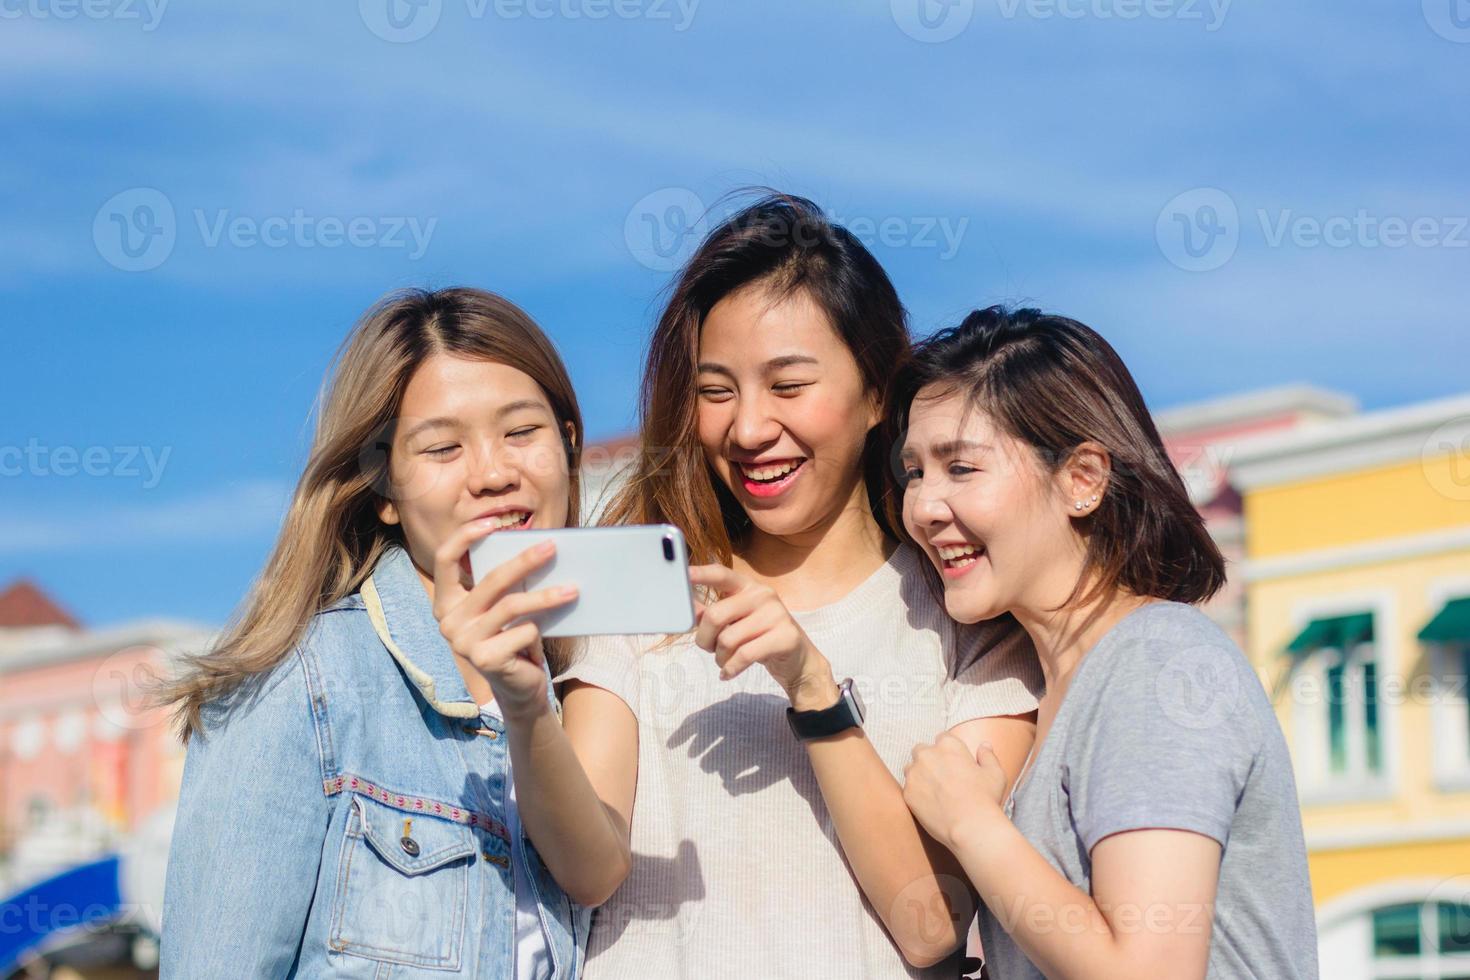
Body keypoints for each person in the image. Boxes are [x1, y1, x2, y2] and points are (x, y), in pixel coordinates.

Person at [557, 194, 1044, 978]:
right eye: (717, 391)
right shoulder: (639, 591)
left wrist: (812, 687)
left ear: (879, 393)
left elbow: (934, 925)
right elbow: (587, 866)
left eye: (787, 386)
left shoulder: (967, 612)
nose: (747, 429)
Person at [159, 287, 637, 979]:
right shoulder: (302, 683)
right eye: (443, 447)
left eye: (522, 432)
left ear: (569, 449)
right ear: (384, 487)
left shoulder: (587, 688)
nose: (494, 473)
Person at [897, 307, 1318, 979]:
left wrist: (972, 824)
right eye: (915, 472)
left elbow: (1148, 972)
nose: (923, 506)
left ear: (1082, 480)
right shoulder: (1061, 686)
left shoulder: (1158, 664)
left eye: (962, 468)